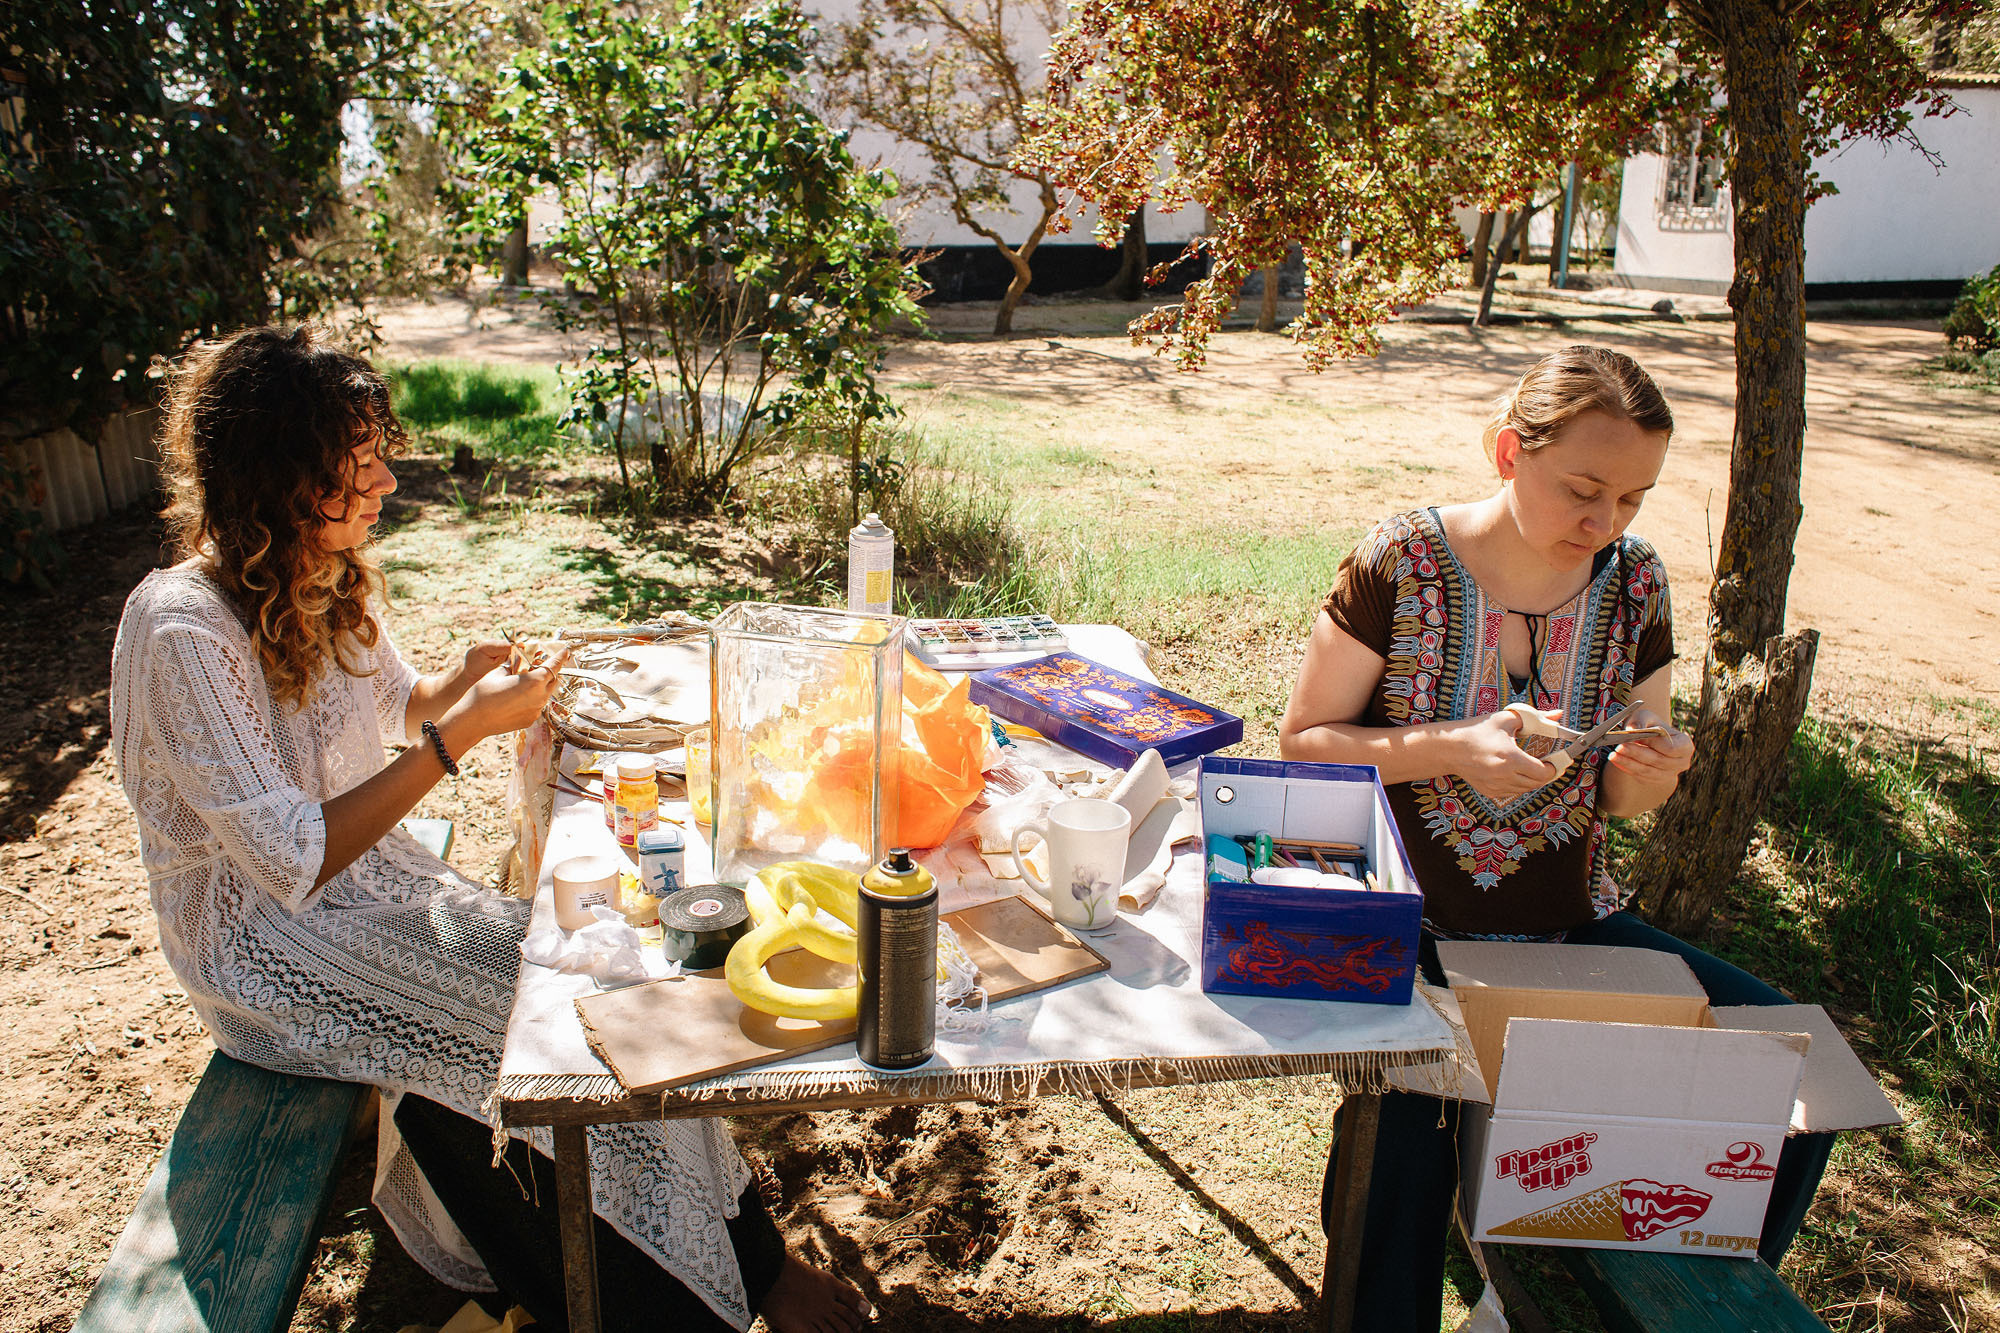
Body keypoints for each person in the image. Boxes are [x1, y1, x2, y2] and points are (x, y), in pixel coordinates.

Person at [109, 325, 868, 1333]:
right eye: (358, 462)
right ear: (283, 479)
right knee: (542, 1020)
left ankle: (723, 1264)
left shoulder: (313, 571)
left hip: (366, 892)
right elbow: (291, 856)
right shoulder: (181, 628)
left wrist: (458, 682)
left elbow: (393, 704)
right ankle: (678, 1291)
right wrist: (461, 731)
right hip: (263, 946)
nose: (387, 479)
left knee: (594, 977)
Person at [1277, 345, 1832, 1330]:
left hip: (1569, 930)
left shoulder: (1635, 582)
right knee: (1403, 1160)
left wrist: (1650, 770)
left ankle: (1681, 1298)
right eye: (1583, 490)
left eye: (1632, 498)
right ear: (1508, 452)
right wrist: (1454, 746)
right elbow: (1305, 742)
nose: (1605, 521)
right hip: (1408, 931)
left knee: (1792, 1079)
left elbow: (1617, 793)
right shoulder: (1402, 559)